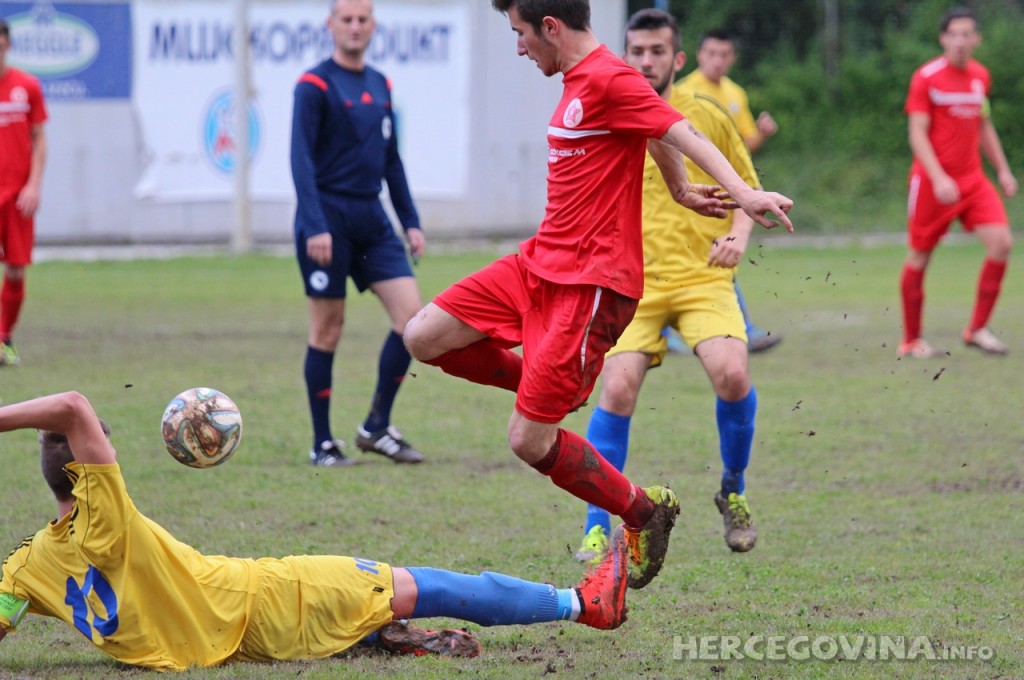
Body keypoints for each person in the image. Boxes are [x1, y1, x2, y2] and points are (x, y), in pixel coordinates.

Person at [404, 0, 793, 591]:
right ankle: (542, 383)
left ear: (551, 28)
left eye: (520, 34)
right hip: (538, 264)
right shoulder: (588, 79)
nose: (518, 47)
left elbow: (675, 128)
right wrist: (681, 189)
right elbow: (654, 126)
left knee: (526, 439)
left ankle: (642, 511)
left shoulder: (609, 76)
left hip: (590, 285)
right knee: (422, 335)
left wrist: (740, 192)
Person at [0, 391, 631, 670]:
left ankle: (373, 638)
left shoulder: (27, 565)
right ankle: (583, 603)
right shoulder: (108, 515)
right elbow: (73, 406)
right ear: (94, 464)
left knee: (362, 607)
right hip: (264, 601)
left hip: (215, 645)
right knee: (423, 582)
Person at [574, 9, 766, 564]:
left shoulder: (706, 113)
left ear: (677, 59)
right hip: (634, 282)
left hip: (704, 275)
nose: (647, 60)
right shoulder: (608, 113)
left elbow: (748, 188)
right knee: (616, 390)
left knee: (732, 375)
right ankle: (595, 524)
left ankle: (733, 490)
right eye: (637, 50)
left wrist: (737, 235)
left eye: (658, 51)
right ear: (624, 53)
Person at [290, 0, 425, 467]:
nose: (354, 26)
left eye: (362, 19)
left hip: (373, 219)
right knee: (328, 329)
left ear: (373, 26)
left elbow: (392, 161)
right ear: (330, 25)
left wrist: (410, 220)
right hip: (328, 219)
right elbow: (301, 161)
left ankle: (376, 426)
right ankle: (322, 442)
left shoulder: (380, 83)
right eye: (345, 19)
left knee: (414, 322)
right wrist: (315, 223)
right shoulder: (313, 84)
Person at [899, 6, 1016, 358]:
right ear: (943, 38)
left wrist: (1004, 169)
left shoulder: (980, 76)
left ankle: (976, 329)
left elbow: (983, 126)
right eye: (954, 34)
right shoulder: (927, 77)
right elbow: (917, 134)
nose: (961, 41)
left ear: (977, 39)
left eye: (968, 34)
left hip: (973, 180)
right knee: (920, 255)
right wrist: (938, 177)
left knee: (1002, 243)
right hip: (933, 182)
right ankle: (912, 339)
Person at [679, 27, 781, 353]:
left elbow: (743, 146)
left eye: (724, 54)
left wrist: (762, 135)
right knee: (695, 261)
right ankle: (742, 329)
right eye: (711, 53)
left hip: (723, 196)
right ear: (698, 55)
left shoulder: (736, 94)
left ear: (732, 57)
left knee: (719, 260)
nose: (717, 61)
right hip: (688, 195)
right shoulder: (683, 93)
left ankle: (735, 329)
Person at [0, 18, 47, 366]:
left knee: (15, 270)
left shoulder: (26, 86)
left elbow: (40, 138)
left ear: (7, 45)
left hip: (18, 197)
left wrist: (33, 185)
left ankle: (4, 339)